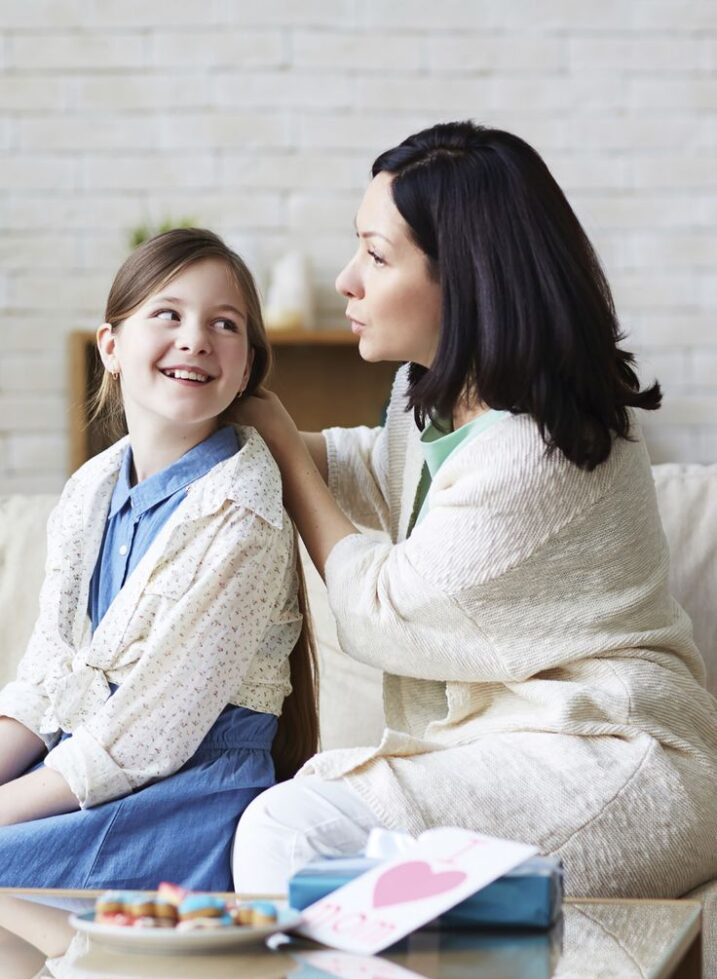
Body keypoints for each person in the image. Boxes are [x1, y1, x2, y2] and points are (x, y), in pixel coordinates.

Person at [232, 122, 717, 899]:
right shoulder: (432, 396)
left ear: (464, 278)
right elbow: (381, 471)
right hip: (507, 750)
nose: (347, 280)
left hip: (613, 761)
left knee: (289, 828)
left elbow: (383, 610)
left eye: (376, 256)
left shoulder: (539, 450)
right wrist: (247, 430)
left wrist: (286, 455)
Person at [0, 228, 317, 890]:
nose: (196, 339)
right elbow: (45, 681)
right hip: (82, 766)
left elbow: (148, 737)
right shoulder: (91, 488)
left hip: (184, 792)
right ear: (111, 347)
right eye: (168, 314)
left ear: (247, 369)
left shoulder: (242, 511)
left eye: (224, 324)